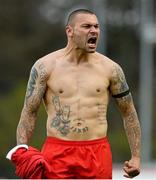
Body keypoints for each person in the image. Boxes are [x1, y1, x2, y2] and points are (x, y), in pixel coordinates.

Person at [6, 9, 141, 179]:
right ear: (69, 31)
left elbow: (128, 112)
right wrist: (22, 149)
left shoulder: (111, 69)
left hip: (97, 152)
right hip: (57, 151)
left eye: (96, 27)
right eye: (86, 26)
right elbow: (29, 111)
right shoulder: (45, 67)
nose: (94, 31)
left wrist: (136, 157)